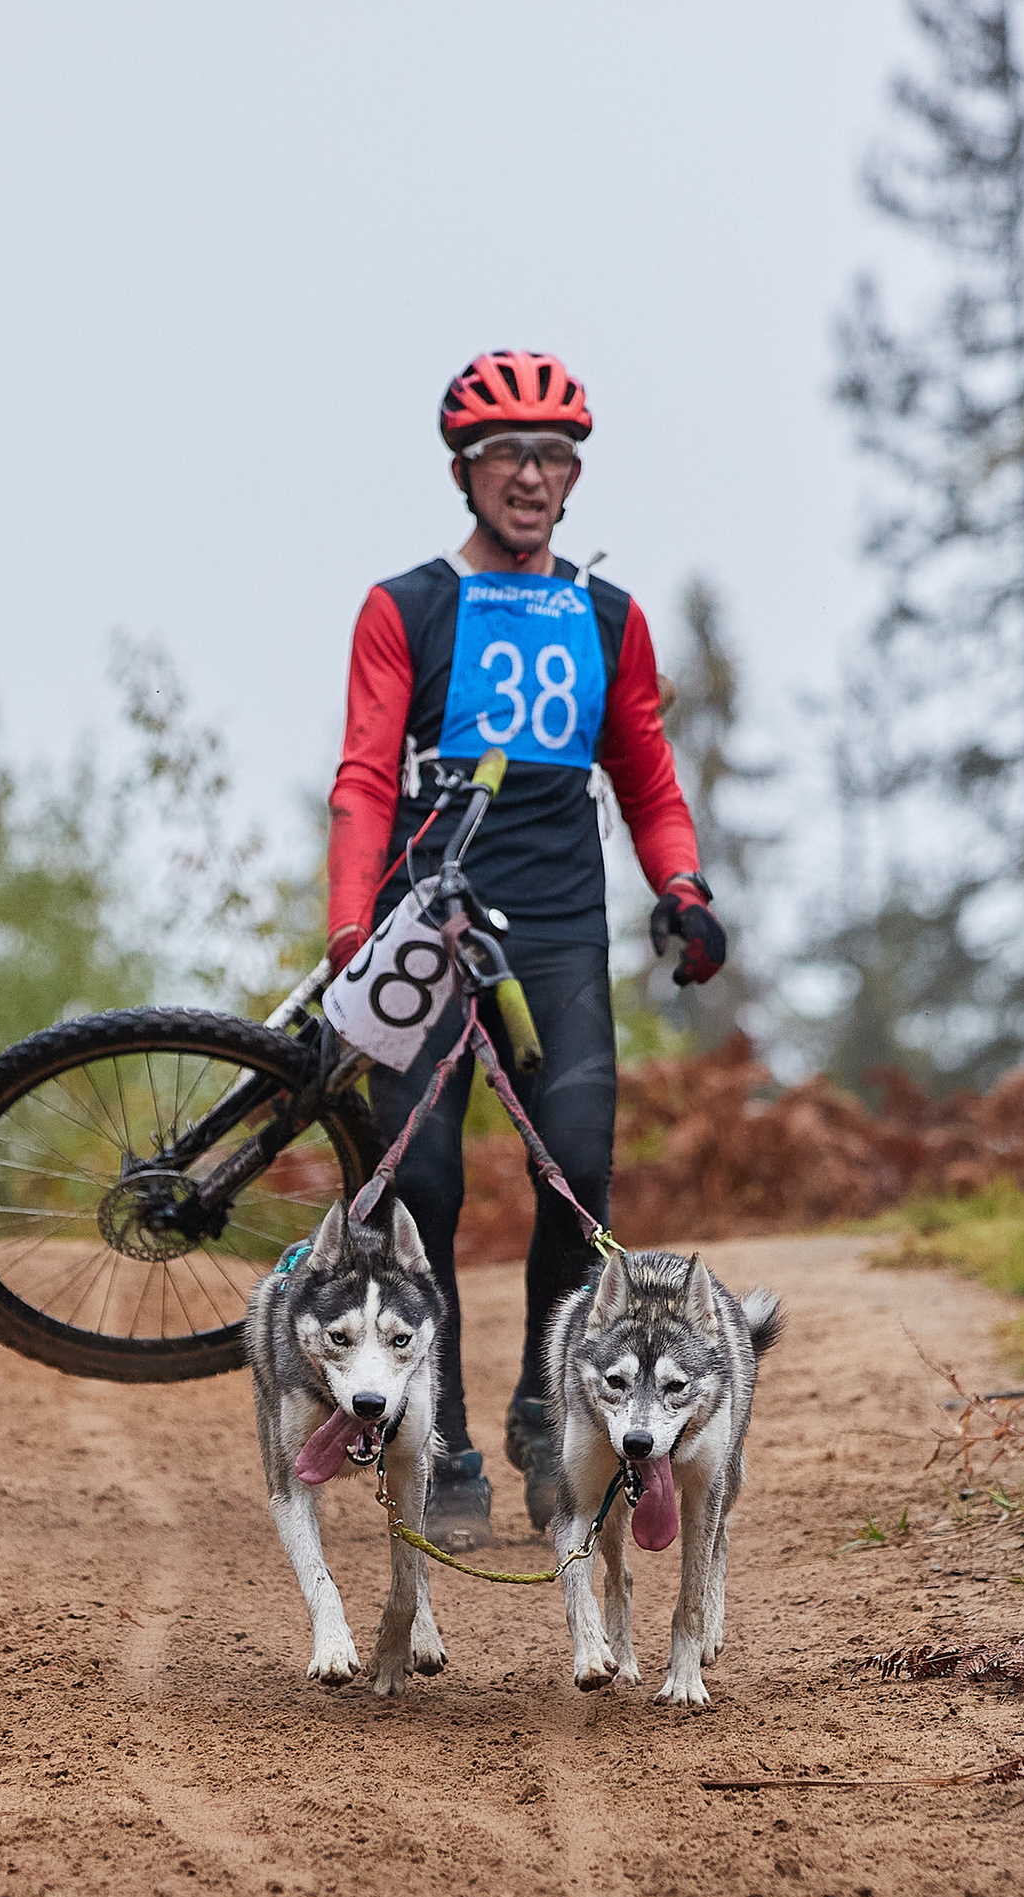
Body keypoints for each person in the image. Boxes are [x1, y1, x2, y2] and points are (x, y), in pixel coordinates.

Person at [324, 350, 728, 1548]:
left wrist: (684, 889)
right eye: (507, 454)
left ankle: (547, 1406)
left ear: (574, 475)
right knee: (423, 1185)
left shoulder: (609, 617)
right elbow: (360, 777)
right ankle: (435, 1433)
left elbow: (647, 776)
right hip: (424, 919)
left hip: (555, 926)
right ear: (463, 470)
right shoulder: (407, 608)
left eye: (554, 456)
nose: (532, 476)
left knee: (579, 1169)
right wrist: (353, 928)